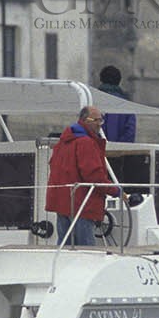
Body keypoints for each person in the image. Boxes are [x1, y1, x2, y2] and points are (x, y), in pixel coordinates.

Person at [45, 105, 121, 246]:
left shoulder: (63, 142)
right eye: (96, 120)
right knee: (86, 250)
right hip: (82, 205)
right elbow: (94, 176)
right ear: (86, 121)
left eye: (101, 120)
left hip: (62, 203)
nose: (100, 124)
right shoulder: (86, 143)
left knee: (65, 247)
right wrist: (116, 191)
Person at [95, 65, 137, 142]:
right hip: (119, 151)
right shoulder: (127, 105)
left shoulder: (92, 101)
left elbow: (87, 127)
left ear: (101, 79)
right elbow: (130, 132)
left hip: (96, 150)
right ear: (119, 81)